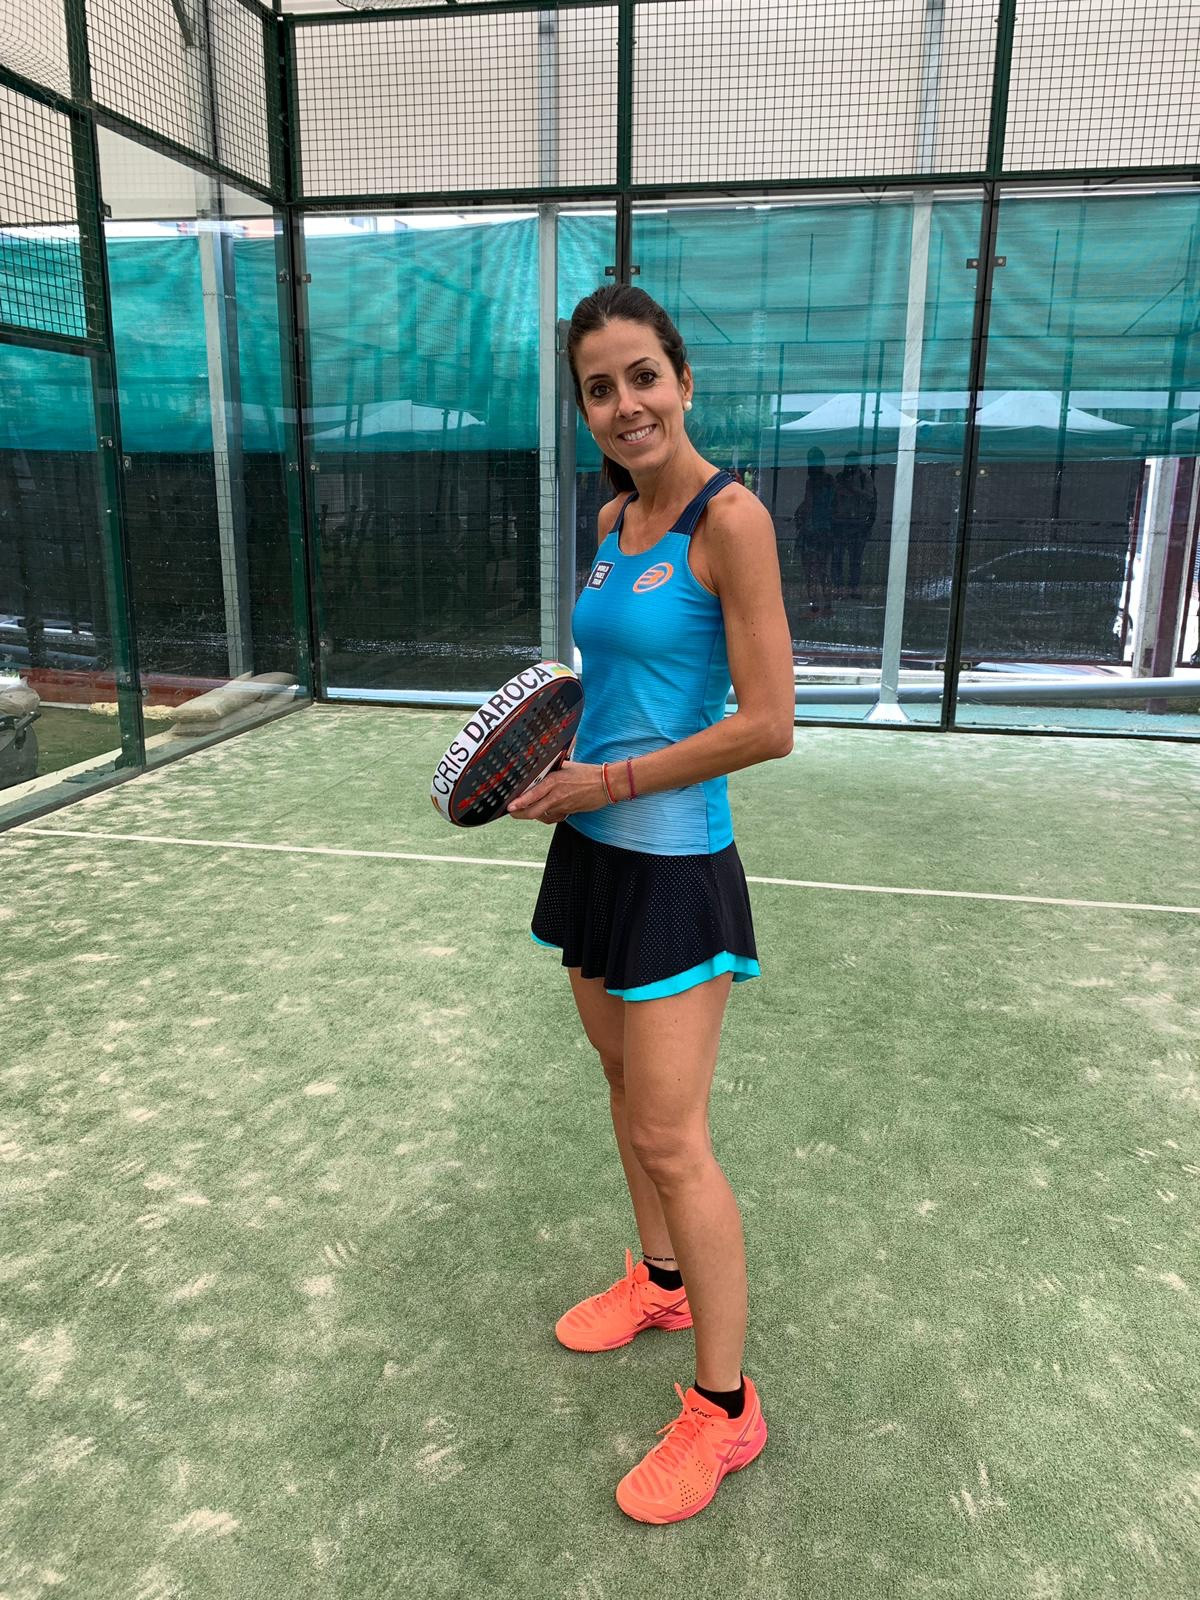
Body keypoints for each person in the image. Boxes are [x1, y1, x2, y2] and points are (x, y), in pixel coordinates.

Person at [507, 284, 794, 1523]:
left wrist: (613, 779)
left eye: (641, 376)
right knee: (623, 1089)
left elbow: (769, 724)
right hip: (591, 853)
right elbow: (615, 680)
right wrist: (544, 764)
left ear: (681, 380)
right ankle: (661, 1283)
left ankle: (727, 1411)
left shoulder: (733, 521)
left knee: (675, 1137)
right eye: (598, 388)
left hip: (677, 866)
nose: (624, 404)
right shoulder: (615, 519)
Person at [792, 446, 835, 614]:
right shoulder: (830, 480)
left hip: (812, 531)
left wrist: (800, 517)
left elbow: (809, 504)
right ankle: (827, 605)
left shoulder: (812, 482)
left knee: (810, 571)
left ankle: (814, 605)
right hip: (825, 530)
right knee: (824, 569)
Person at [830, 452, 877, 599]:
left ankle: (853, 588)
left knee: (855, 559)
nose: (850, 466)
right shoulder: (840, 477)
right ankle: (838, 588)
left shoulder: (864, 478)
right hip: (840, 523)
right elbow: (833, 498)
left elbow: (870, 497)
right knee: (837, 558)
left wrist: (853, 489)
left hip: (858, 524)